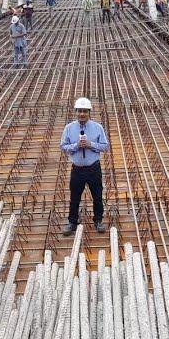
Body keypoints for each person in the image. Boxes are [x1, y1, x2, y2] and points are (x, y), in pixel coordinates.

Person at [60, 97, 110, 235]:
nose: (82, 114)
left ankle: (98, 221)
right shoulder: (69, 128)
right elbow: (63, 146)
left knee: (97, 196)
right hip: (77, 170)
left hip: (93, 168)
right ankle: (72, 222)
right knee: (74, 197)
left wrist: (91, 145)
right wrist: (76, 146)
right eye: (79, 111)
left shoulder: (97, 127)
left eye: (85, 111)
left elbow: (105, 146)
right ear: (76, 112)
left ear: (89, 112)